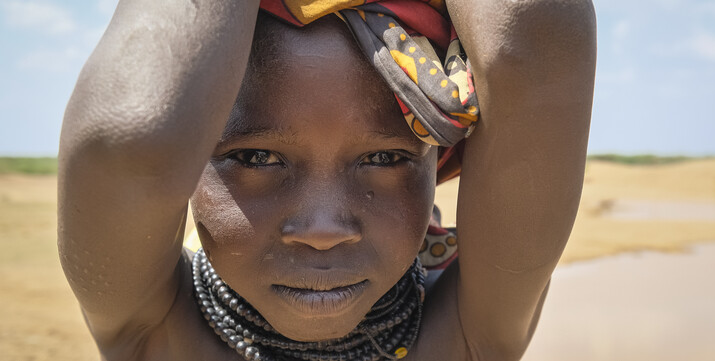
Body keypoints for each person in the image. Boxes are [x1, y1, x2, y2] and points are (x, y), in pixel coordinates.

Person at [58, 0, 596, 360]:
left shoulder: (466, 334)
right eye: (258, 157)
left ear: (442, 165)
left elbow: (531, 38)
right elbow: (133, 136)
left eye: (385, 159)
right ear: (188, 166)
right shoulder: (160, 331)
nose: (322, 230)